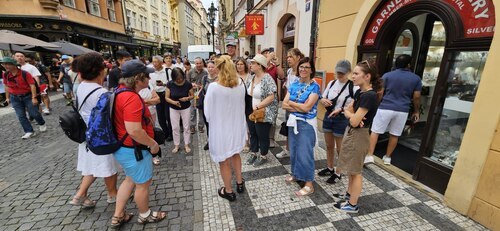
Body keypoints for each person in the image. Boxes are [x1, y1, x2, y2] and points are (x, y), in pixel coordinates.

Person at [111, 59, 166, 228]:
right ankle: (145, 215)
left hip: (122, 148)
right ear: (137, 79)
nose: (149, 79)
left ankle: (118, 215)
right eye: (146, 76)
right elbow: (134, 130)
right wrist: (153, 145)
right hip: (134, 149)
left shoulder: (119, 91)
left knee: (129, 180)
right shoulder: (131, 98)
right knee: (143, 184)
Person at [71, 52, 118, 209]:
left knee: (90, 165)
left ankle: (81, 195)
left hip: (86, 133)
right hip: (100, 135)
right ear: (101, 71)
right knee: (107, 165)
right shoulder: (101, 93)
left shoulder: (81, 86)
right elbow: (109, 117)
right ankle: (112, 194)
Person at [333, 59, 381, 213]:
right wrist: (351, 114)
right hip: (354, 132)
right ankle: (349, 194)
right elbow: (350, 110)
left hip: (360, 135)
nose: (352, 76)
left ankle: (353, 205)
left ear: (367, 76)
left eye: (356, 73)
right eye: (353, 73)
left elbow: (353, 120)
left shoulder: (370, 96)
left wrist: (350, 115)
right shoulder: (361, 92)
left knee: (356, 171)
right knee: (351, 169)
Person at [365, 54, 422, 165]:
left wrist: (378, 104)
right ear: (409, 65)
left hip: (385, 107)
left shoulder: (387, 75)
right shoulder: (416, 78)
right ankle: (387, 157)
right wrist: (416, 111)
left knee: (375, 131)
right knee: (395, 134)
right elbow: (416, 97)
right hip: (402, 110)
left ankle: (369, 155)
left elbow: (380, 92)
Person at [204, 55, 247, 202]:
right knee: (235, 154)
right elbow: (243, 104)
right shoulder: (240, 83)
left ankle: (228, 191)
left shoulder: (213, 88)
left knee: (224, 161)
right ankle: (240, 183)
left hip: (221, 129)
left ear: (218, 68)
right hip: (236, 126)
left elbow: (207, 113)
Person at [282, 57, 321, 196]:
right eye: (301, 67)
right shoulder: (294, 84)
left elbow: (307, 108)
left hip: (306, 124)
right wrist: (299, 106)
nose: (303, 69)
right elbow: (284, 104)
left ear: (311, 70)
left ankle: (309, 184)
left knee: (305, 154)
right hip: (294, 122)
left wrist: (293, 104)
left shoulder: (315, 86)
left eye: (306, 67)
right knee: (294, 150)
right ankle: (296, 174)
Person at [318, 60, 358, 184]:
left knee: (340, 148)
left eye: (342, 72)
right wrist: (323, 100)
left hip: (342, 119)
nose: (339, 75)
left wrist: (341, 109)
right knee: (329, 145)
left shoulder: (354, 87)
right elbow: (323, 97)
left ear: (349, 72)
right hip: (329, 116)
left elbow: (355, 106)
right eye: (338, 72)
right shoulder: (332, 83)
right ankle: (330, 167)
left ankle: (338, 172)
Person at [245, 54, 278, 167]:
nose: (251, 65)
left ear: (259, 65)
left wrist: (258, 106)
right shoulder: (252, 77)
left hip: (263, 112)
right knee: (253, 133)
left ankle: (263, 155)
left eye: (253, 63)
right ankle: (254, 153)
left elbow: (271, 96)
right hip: (252, 111)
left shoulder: (267, 78)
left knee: (262, 135)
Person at [1, 57, 46, 139]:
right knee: (21, 115)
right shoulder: (6, 74)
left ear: (14, 65)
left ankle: (41, 123)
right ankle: (29, 131)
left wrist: (34, 97)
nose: (5, 66)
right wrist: (7, 98)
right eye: (3, 64)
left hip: (27, 96)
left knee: (34, 113)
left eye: (7, 64)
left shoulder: (25, 73)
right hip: (14, 98)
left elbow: (32, 85)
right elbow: (6, 86)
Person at [275, 48, 304, 158]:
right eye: (287, 57)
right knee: (288, 126)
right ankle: (287, 149)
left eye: (291, 56)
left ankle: (298, 151)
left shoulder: (302, 72)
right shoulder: (289, 71)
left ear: (298, 58)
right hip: (289, 104)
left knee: (298, 128)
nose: (288, 59)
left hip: (298, 105)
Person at [165, 67, 194, 154]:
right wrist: (174, 102)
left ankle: (186, 144)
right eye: (177, 79)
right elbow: (166, 97)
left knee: (186, 127)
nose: (180, 80)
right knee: (175, 127)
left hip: (186, 107)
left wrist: (187, 98)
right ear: (173, 78)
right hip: (174, 108)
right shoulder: (169, 84)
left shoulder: (188, 84)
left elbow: (192, 96)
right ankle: (176, 145)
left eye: (181, 78)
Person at [138, 75, 161, 165]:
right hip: (139, 115)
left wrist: (144, 102)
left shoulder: (149, 85)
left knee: (151, 133)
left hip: (151, 113)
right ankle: (143, 154)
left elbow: (157, 99)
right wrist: (150, 101)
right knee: (140, 134)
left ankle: (154, 155)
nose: (149, 79)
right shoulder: (133, 88)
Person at [149, 55, 173, 142]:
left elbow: (171, 83)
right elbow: (150, 84)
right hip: (157, 95)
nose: (154, 64)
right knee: (160, 117)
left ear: (161, 62)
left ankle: (171, 134)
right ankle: (165, 133)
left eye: (156, 62)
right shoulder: (151, 72)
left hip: (166, 94)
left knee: (168, 116)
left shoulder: (167, 71)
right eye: (153, 62)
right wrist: (153, 93)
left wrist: (163, 84)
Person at [187, 57, 208, 134]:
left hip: (202, 94)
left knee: (201, 111)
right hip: (193, 94)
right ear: (194, 64)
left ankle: (201, 126)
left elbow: (207, 82)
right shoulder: (190, 72)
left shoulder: (206, 72)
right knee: (192, 111)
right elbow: (187, 83)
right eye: (197, 63)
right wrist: (191, 85)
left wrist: (202, 86)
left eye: (200, 63)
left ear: (202, 63)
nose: (199, 65)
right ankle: (192, 126)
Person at [235, 57, 251, 152]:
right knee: (237, 122)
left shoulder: (250, 76)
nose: (239, 66)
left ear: (245, 65)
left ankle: (246, 142)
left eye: (241, 64)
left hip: (247, 102)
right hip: (236, 102)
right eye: (238, 64)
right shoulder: (233, 76)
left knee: (246, 123)